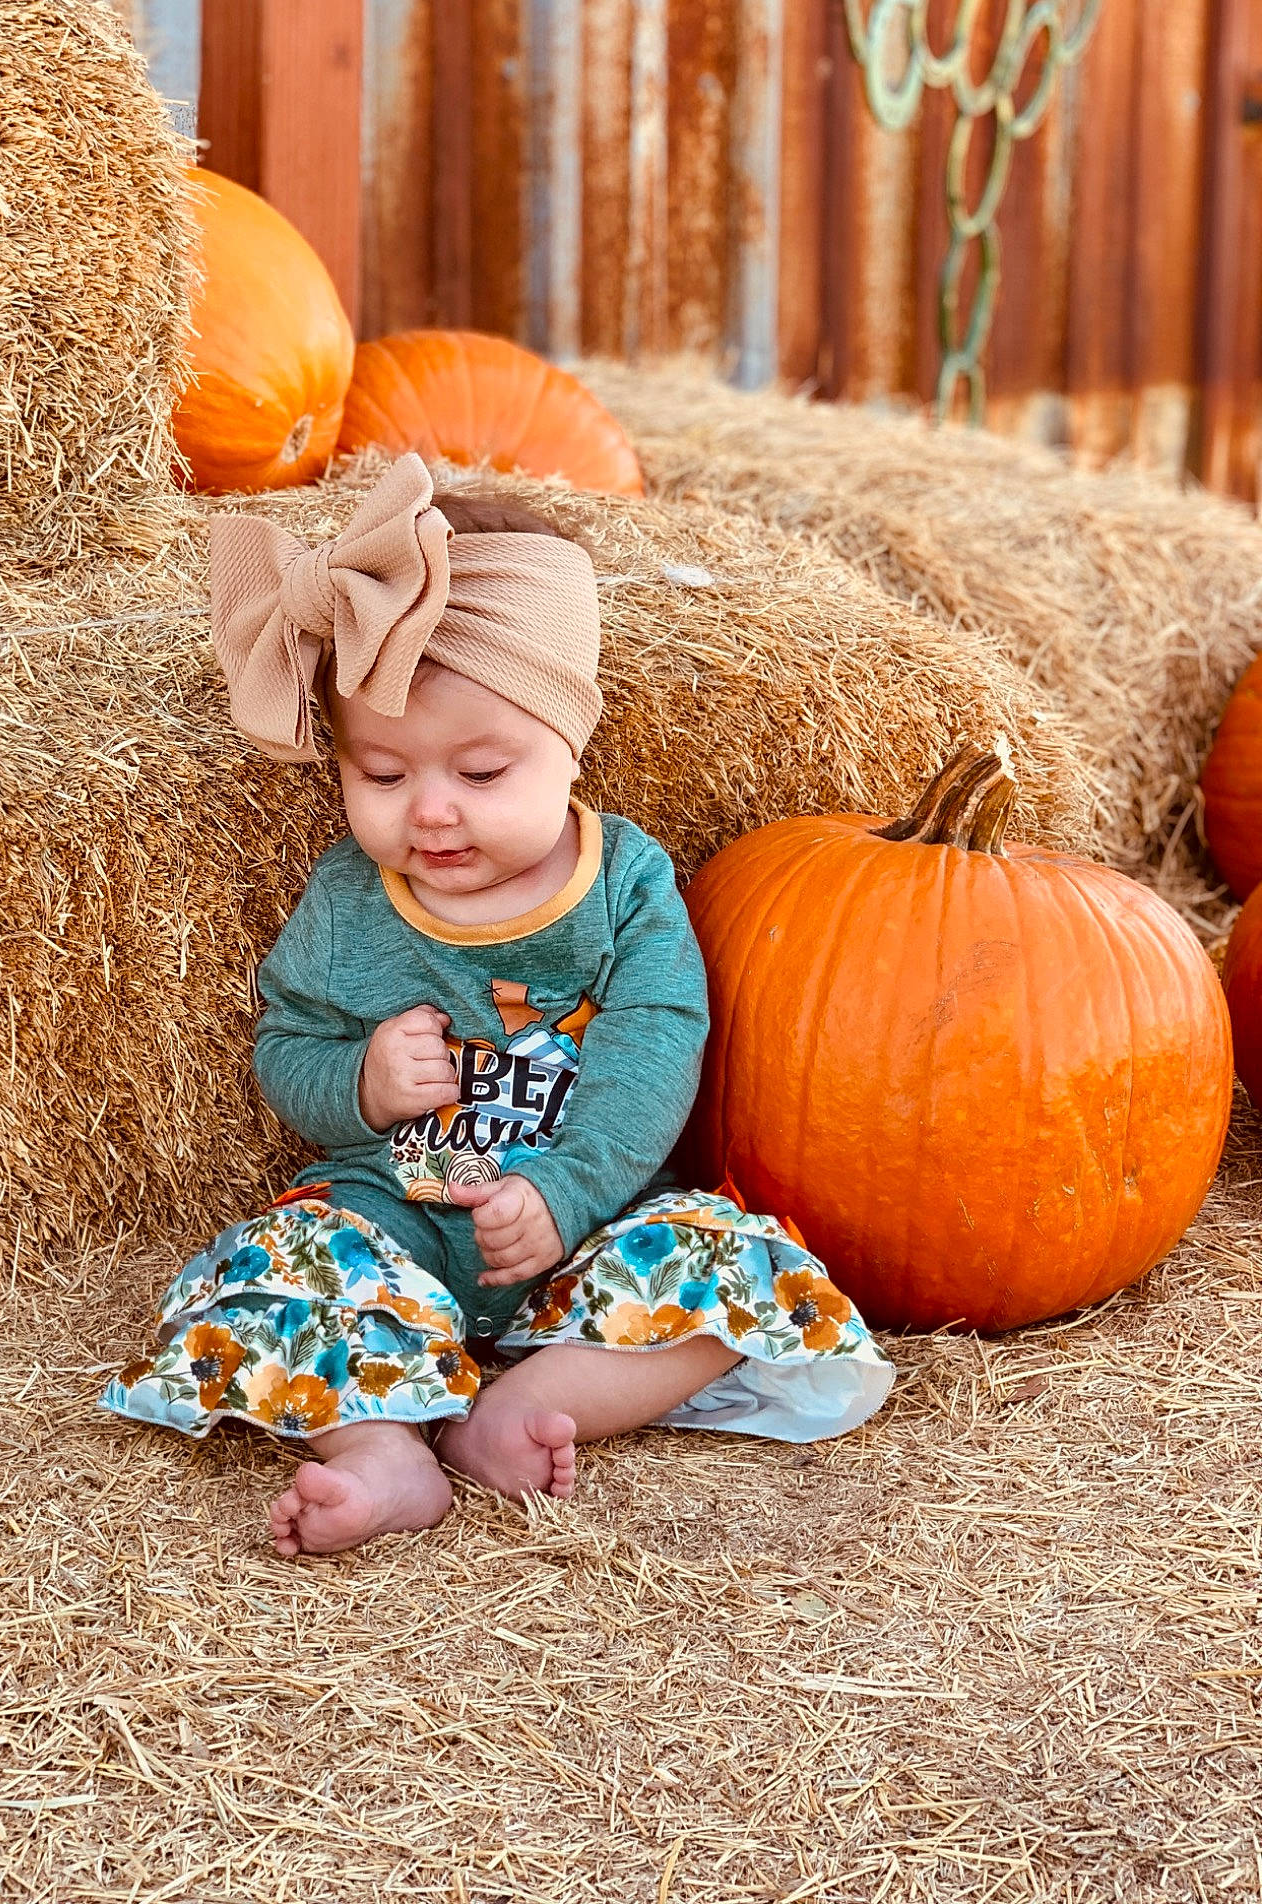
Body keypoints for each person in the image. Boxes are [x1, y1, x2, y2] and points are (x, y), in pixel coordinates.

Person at [102, 452, 892, 1554]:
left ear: (568, 743)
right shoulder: (347, 897)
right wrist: (360, 1082)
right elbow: (286, 1041)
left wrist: (567, 1192)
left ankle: (515, 1411)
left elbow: (657, 1046)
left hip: (579, 1227)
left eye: (481, 774)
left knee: (733, 1265)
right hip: (388, 1224)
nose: (430, 810)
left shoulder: (622, 882)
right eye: (382, 774)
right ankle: (380, 1453)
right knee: (266, 1274)